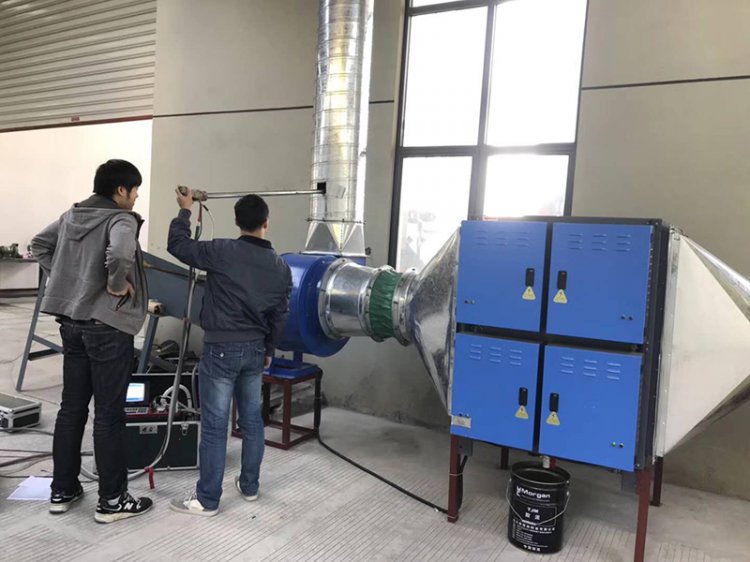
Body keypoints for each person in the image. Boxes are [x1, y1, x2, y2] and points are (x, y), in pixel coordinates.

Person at [31, 159, 153, 523]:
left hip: (72, 324)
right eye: (134, 190)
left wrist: (69, 281)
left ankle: (63, 489)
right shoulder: (121, 220)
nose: (135, 197)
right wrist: (114, 284)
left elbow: (39, 245)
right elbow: (120, 253)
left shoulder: (72, 216)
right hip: (106, 328)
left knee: (71, 409)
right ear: (120, 190)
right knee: (109, 414)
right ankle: (112, 500)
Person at [168, 187, 292, 517]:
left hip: (221, 349)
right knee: (252, 421)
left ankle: (207, 500)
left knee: (214, 425)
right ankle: (249, 487)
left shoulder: (222, 251)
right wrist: (269, 349)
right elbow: (280, 315)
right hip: (255, 350)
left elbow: (178, 245)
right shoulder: (280, 267)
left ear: (237, 222)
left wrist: (185, 210)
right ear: (266, 222)